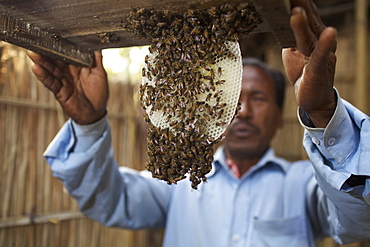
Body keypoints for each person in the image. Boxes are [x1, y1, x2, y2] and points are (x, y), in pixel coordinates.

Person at [27, 0, 370, 246]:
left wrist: (325, 113)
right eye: (232, 100)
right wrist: (89, 124)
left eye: (259, 98)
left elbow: (359, 221)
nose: (243, 111)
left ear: (280, 118)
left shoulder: (302, 186)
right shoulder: (175, 185)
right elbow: (107, 199)